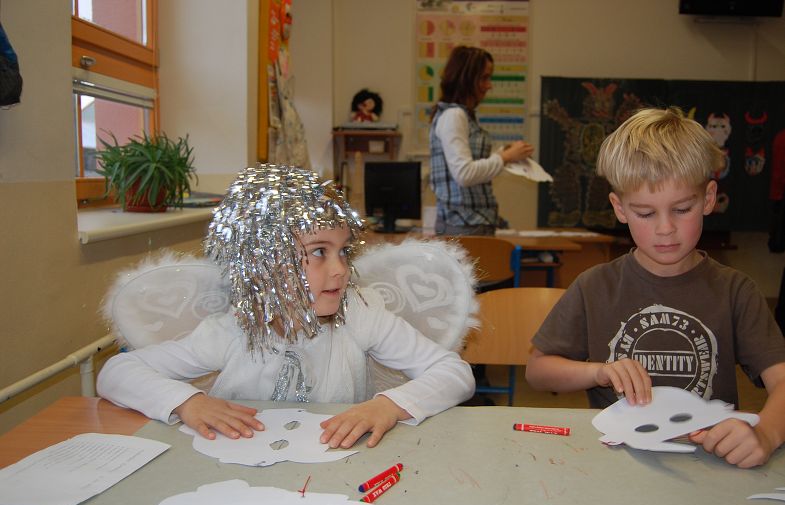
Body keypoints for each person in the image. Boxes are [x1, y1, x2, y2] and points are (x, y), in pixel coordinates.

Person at [97, 165, 474, 450]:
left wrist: (389, 406)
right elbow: (117, 372)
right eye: (319, 252)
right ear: (263, 264)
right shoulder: (234, 328)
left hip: (335, 472)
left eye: (343, 251)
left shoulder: (359, 314)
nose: (341, 269)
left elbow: (454, 373)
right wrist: (187, 402)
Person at [525, 107, 785, 468]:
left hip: (709, 462)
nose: (665, 229)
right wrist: (598, 372)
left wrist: (766, 435)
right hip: (615, 464)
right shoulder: (595, 286)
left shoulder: (735, 291)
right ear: (619, 208)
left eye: (682, 209)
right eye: (645, 213)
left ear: (708, 198)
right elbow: (537, 371)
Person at [430, 45, 534, 236]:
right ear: (466, 79)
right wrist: (505, 157)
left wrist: (504, 154)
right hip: (463, 225)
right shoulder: (454, 115)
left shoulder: (462, 115)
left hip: (471, 223)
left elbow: (470, 167)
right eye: (484, 78)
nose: (489, 85)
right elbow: (464, 174)